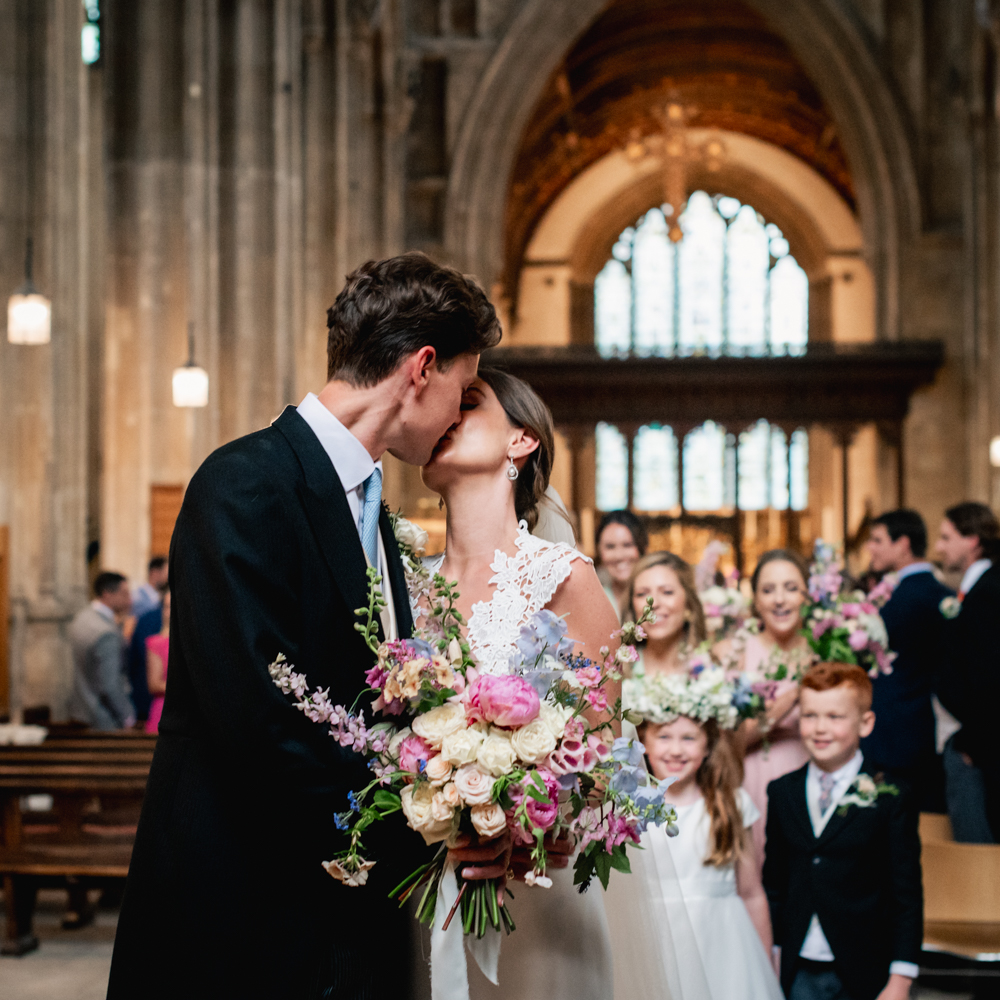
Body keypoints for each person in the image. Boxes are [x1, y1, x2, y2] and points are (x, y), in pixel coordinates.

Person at [108, 252, 501, 1000]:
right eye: (463, 385)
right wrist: (431, 824)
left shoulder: (376, 512)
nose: (460, 410)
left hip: (339, 917)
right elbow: (257, 720)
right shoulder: (245, 482)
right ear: (422, 368)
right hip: (241, 914)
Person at [418, 367, 622, 999]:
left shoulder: (565, 578)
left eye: (469, 401)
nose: (446, 410)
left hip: (532, 897)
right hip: (427, 892)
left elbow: (602, 753)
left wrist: (523, 826)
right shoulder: (404, 587)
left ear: (521, 440)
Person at [763, 663, 922, 1000]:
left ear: (865, 723)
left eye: (835, 717)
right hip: (796, 966)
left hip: (865, 969)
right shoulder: (782, 792)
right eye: (810, 716)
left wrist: (900, 979)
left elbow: (905, 896)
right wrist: (772, 957)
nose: (820, 728)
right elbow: (774, 885)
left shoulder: (890, 795)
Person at [635, 674, 782, 1000]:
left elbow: (751, 892)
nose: (675, 749)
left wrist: (766, 959)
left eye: (689, 738)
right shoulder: (629, 807)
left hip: (724, 944)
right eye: (664, 736)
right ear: (644, 739)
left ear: (708, 743)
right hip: (654, 939)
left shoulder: (731, 804)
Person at [716, 549, 814, 872]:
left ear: (807, 595)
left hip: (811, 776)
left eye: (790, 588)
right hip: (753, 780)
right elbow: (733, 740)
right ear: (755, 601)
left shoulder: (825, 649)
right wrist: (795, 694)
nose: (780, 600)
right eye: (768, 590)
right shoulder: (737, 653)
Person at [862, 510, 952, 810]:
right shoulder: (939, 593)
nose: (870, 548)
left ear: (902, 543)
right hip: (922, 729)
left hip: (896, 733)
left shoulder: (905, 598)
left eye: (877, 540)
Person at [934, 501, 1000, 842]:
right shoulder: (976, 589)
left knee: (980, 848)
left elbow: (989, 677)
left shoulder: (988, 593)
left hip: (982, 751)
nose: (939, 547)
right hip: (977, 743)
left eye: (946, 537)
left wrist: (973, 742)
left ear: (972, 539)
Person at [68, 571, 135, 731]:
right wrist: (127, 716)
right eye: (124, 593)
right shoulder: (106, 632)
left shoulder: (81, 619)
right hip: (104, 718)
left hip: (79, 711)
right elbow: (109, 685)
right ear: (107, 594)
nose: (129, 600)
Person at [624, 551, 707, 678]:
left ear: (689, 603)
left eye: (667, 592)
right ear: (632, 605)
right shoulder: (617, 672)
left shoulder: (710, 668)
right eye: (642, 594)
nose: (654, 603)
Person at [595, 509, 648, 618]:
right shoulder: (593, 597)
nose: (619, 556)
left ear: (642, 547)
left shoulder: (656, 597)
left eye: (627, 545)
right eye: (610, 547)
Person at [144, 589, 170, 735]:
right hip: (164, 707)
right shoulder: (156, 642)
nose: (170, 611)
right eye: (167, 606)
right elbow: (154, 684)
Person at [131, 555, 168, 619]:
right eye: (166, 573)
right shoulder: (138, 596)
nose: (167, 578)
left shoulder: (162, 596)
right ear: (155, 572)